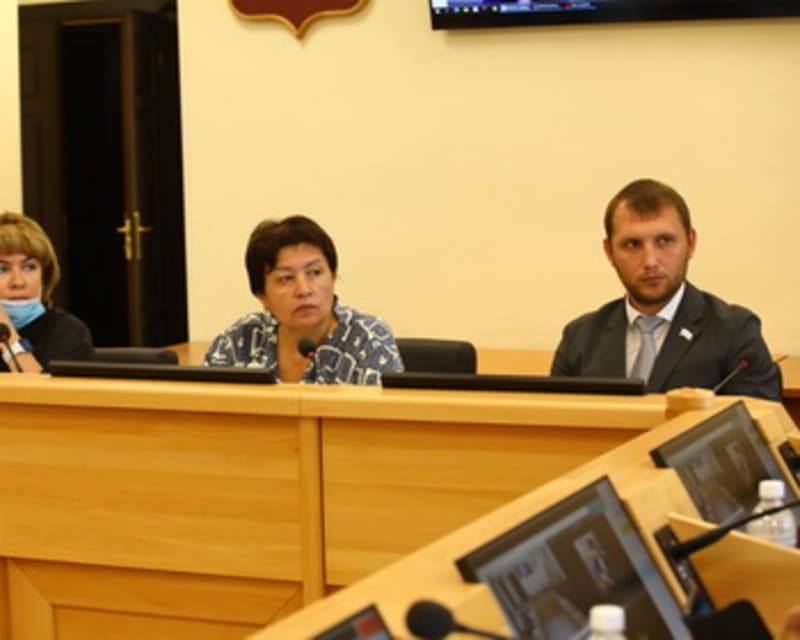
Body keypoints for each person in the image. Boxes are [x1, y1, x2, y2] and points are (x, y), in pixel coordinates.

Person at [551, 178, 781, 400]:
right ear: (609, 251)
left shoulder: (735, 333)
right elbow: (555, 422)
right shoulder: (579, 339)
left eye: (664, 241)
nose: (650, 261)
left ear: (690, 243)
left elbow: (756, 422)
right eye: (632, 244)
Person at [204, 215, 403, 384]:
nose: (304, 290)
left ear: (333, 275)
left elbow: (384, 416)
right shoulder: (241, 339)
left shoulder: (368, 339)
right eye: (286, 278)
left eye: (315, 272)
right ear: (261, 294)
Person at [0, 211, 94, 373]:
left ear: (44, 276)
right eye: (3, 269)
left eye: (29, 267)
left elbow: (40, 389)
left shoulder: (68, 332)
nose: (18, 282)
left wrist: (11, 340)